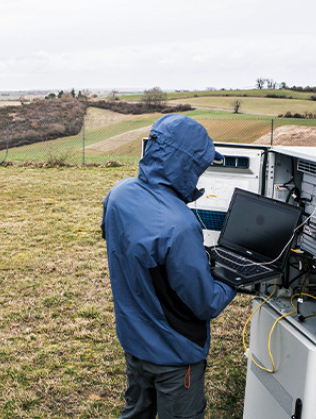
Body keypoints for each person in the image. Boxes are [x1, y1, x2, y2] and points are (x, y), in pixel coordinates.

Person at [101, 114, 237, 418]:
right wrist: (233, 280)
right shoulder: (180, 224)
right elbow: (205, 303)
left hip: (134, 340)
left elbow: (125, 244)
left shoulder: (119, 194)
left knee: (136, 412)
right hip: (175, 354)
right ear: (187, 165)